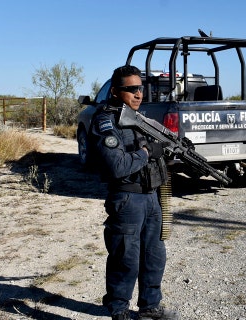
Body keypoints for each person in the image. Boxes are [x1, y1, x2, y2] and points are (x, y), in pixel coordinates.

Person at [90, 65, 179, 320]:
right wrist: (148, 153)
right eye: (131, 89)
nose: (138, 94)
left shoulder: (140, 118)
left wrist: (171, 150)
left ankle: (150, 307)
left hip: (152, 195)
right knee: (125, 259)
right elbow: (117, 165)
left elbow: (154, 151)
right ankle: (119, 311)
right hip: (127, 198)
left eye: (140, 88)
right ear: (116, 91)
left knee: (154, 256)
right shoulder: (106, 121)